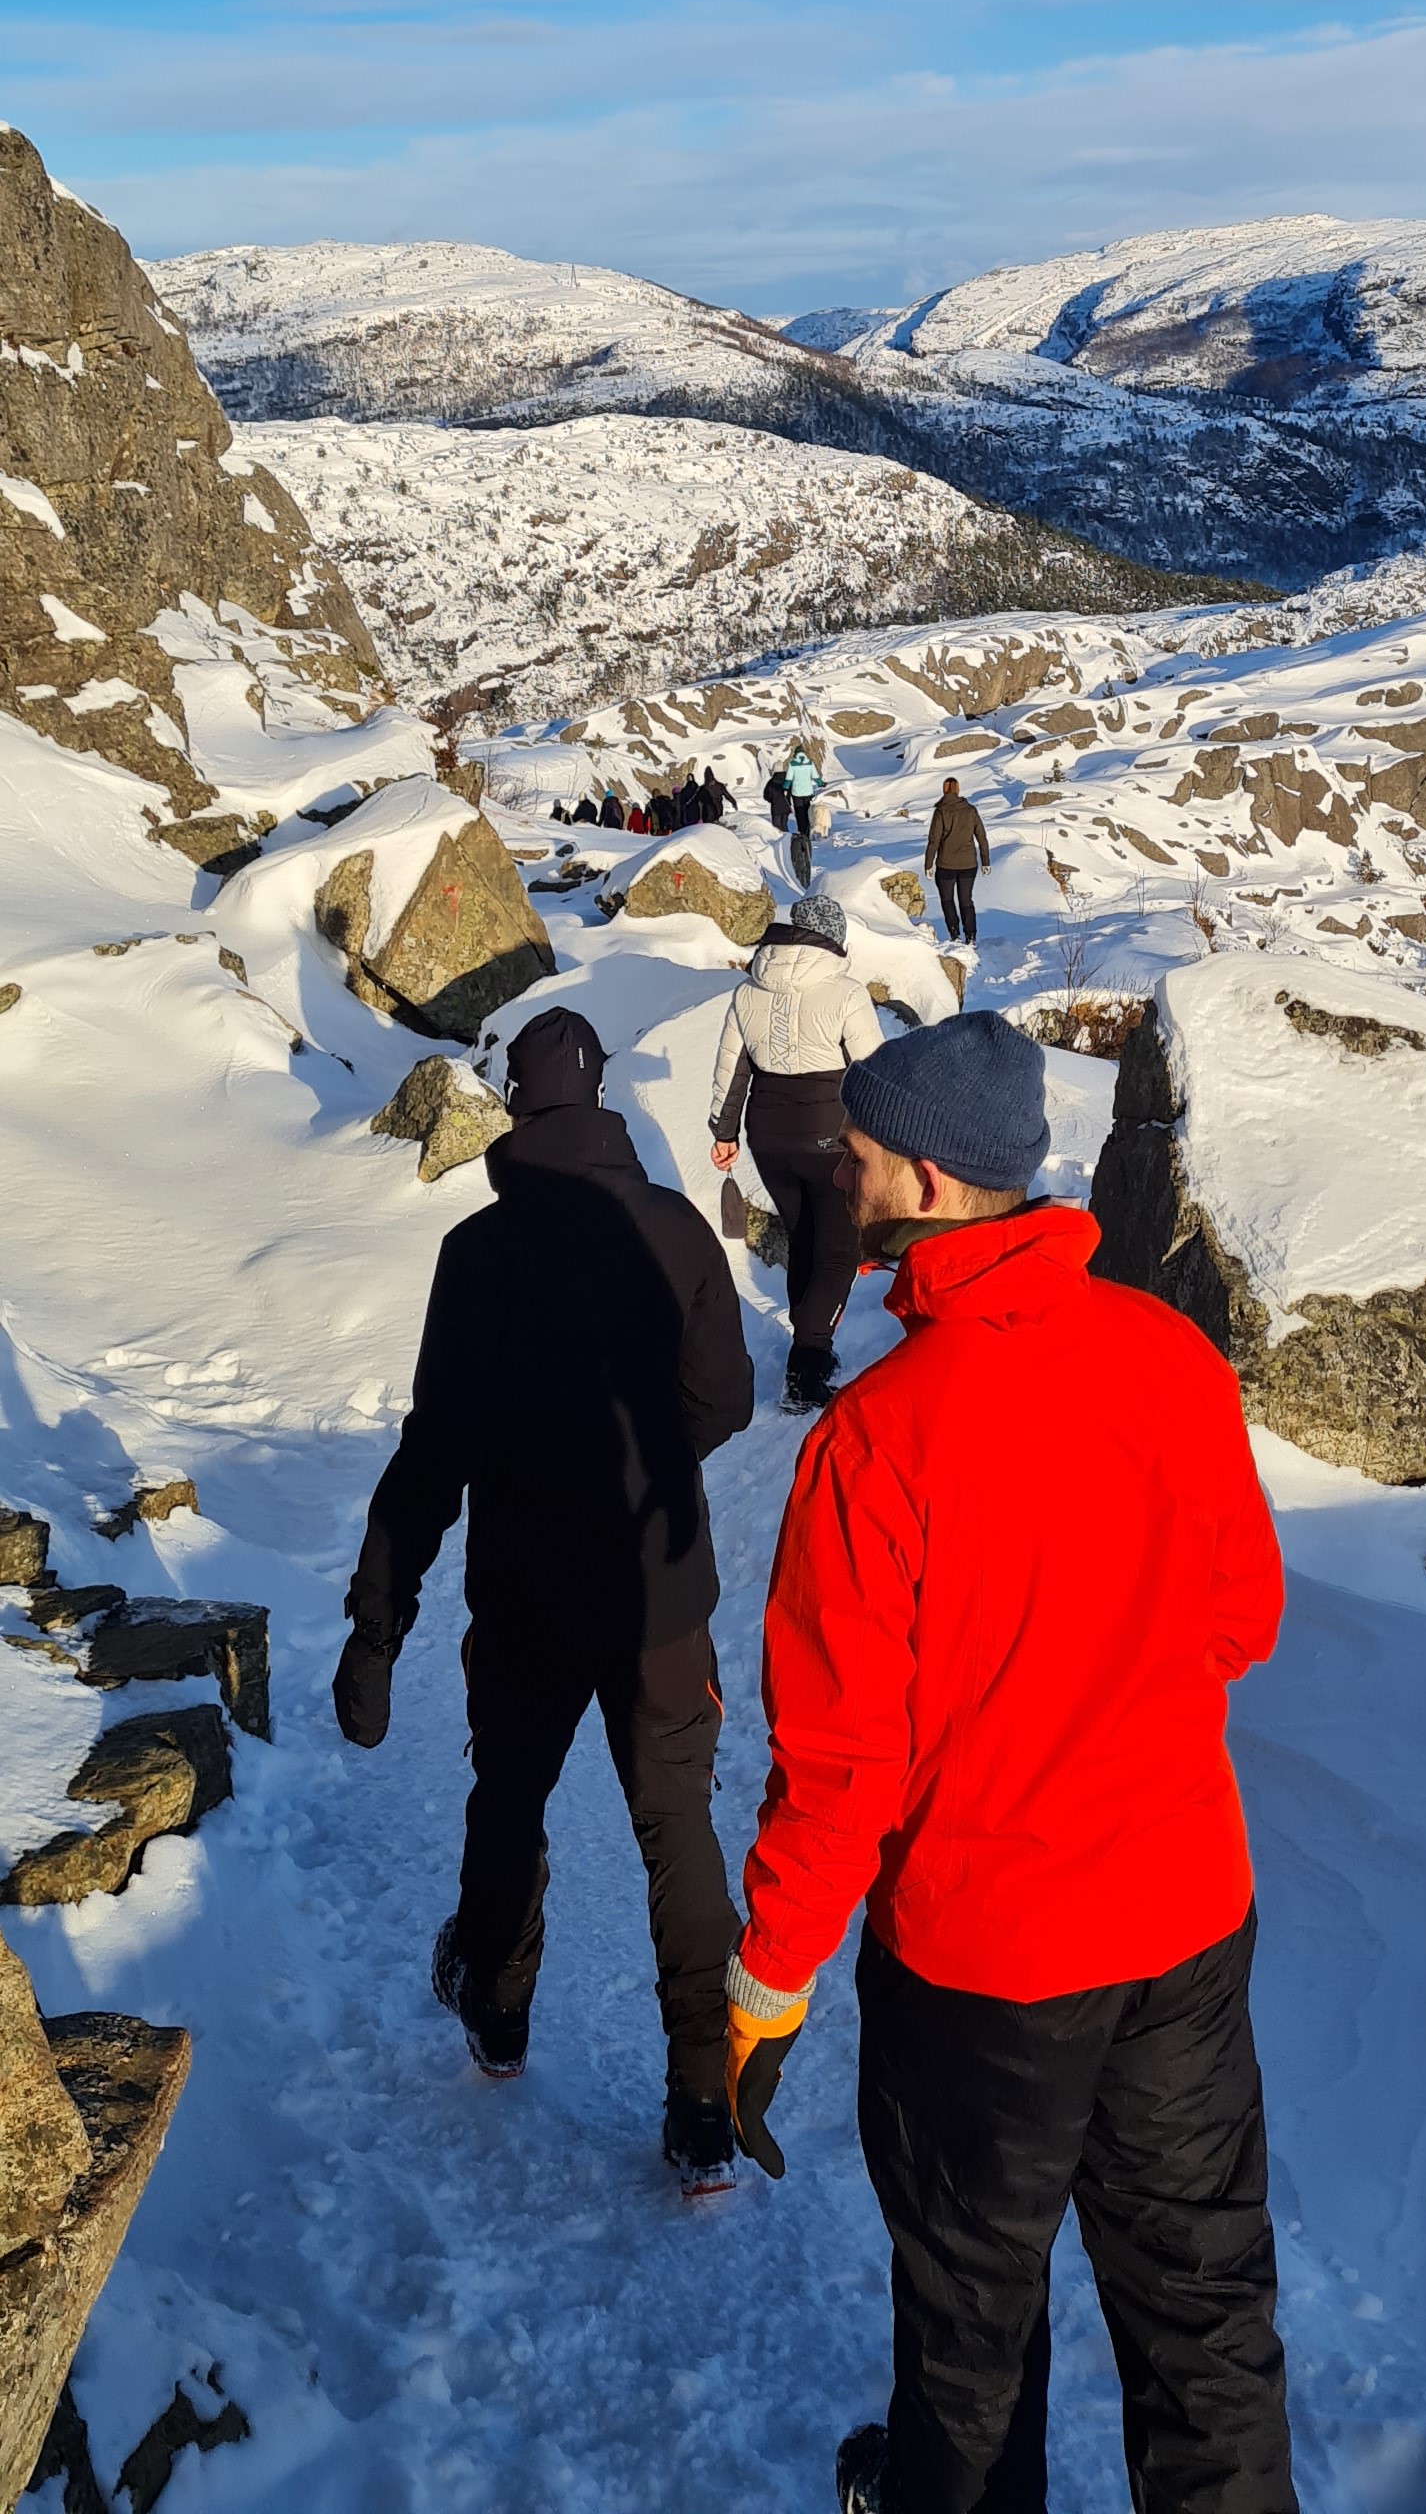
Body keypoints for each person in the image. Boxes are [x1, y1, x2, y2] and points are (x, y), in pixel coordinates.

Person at [723, 1012, 1297, 2514]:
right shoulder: (1167, 1355)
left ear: (921, 1177)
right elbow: (1243, 1616)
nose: (832, 1176)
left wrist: (764, 1989)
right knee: (1207, 2320)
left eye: (851, 1155)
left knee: (973, 2329)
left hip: (990, 1973)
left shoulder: (878, 1442)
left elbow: (840, 1768)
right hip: (1183, 1922)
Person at [331, 1006, 755, 2189]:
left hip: (522, 1593)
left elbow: (434, 1450)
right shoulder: (675, 1234)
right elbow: (721, 1400)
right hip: (659, 1598)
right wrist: (650, 1463)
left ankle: (498, 2015)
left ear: (519, 1105)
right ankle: (700, 2104)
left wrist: (378, 1626)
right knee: (675, 1830)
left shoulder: (477, 1254)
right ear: (605, 1095)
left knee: (508, 1797)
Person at [709, 891, 883, 1412]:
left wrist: (724, 1132)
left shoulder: (748, 991)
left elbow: (732, 1068)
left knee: (804, 1236)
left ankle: (808, 1342)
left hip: (768, 1137)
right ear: (834, 939)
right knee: (839, 1251)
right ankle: (806, 1364)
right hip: (829, 1137)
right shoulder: (846, 992)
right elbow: (871, 1071)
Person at [923, 774, 991, 946]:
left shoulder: (941, 812)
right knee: (966, 900)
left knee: (947, 900)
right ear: (958, 790)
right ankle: (971, 936)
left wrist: (928, 864)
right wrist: (985, 861)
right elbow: (981, 837)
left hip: (946, 864)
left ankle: (955, 934)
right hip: (968, 864)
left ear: (944, 790)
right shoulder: (970, 810)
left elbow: (934, 840)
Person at [780, 740, 822, 884]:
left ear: (796, 754)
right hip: (808, 792)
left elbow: (788, 779)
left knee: (800, 813)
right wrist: (821, 783)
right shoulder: (809, 763)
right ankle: (807, 831)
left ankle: (803, 832)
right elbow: (816, 777)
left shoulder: (792, 764)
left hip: (797, 792)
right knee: (807, 811)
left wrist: (785, 788)